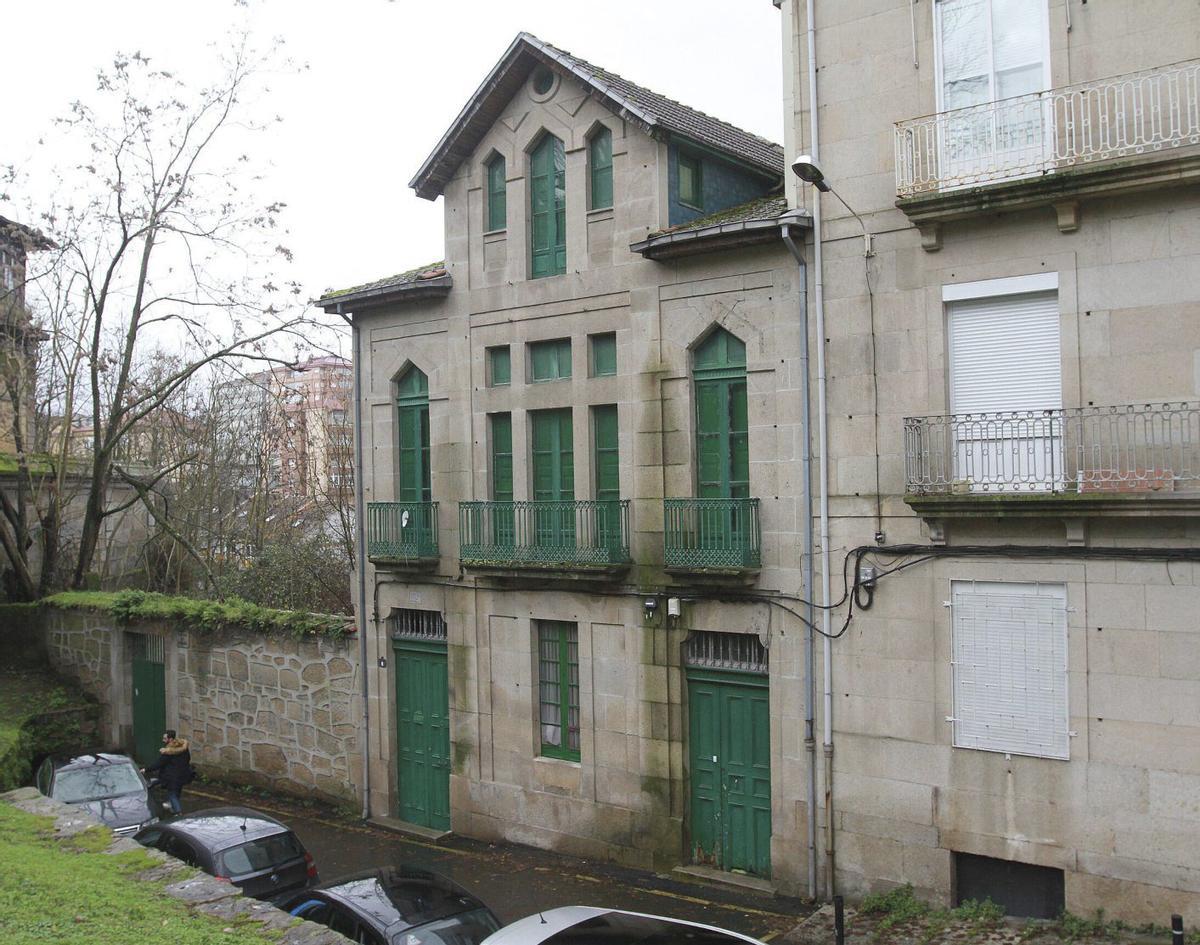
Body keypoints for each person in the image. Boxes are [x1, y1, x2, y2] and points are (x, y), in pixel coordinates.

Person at [142, 730, 193, 815]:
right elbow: (188, 759)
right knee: (177, 793)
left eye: (165, 738)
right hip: (183, 775)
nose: (163, 740)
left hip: (172, 777)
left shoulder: (168, 752)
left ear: (171, 739)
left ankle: (178, 813)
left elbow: (158, 764)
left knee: (172, 794)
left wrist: (146, 769)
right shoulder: (184, 749)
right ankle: (172, 807)